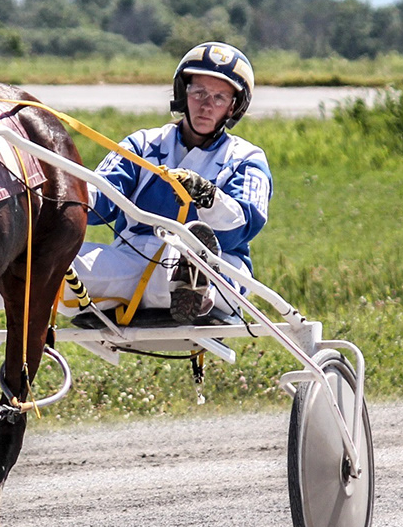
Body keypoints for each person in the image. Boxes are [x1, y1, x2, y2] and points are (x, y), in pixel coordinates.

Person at [64, 42, 272, 325]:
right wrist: (58, 190)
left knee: (186, 247)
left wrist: (209, 197)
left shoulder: (246, 159)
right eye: (198, 92)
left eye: (219, 97)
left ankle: (194, 283)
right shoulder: (142, 144)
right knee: (49, 260)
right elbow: (101, 197)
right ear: (183, 93)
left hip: (219, 269)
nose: (206, 105)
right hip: (135, 261)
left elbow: (243, 226)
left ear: (233, 106)